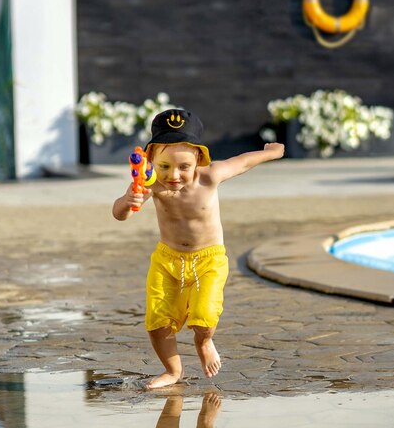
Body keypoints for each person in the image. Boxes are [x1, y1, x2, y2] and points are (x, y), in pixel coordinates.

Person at [112, 109, 284, 389]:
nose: (174, 175)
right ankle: (172, 370)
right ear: (151, 159)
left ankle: (203, 342)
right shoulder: (150, 184)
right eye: (164, 166)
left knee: (204, 316)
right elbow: (121, 214)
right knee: (157, 321)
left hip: (209, 259)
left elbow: (241, 162)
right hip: (167, 259)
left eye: (183, 167)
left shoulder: (210, 176)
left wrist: (271, 153)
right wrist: (127, 198)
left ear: (199, 161)